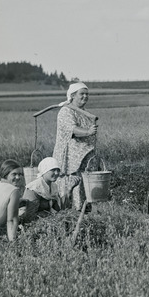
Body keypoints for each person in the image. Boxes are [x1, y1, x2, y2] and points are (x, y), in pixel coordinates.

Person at [53, 82, 98, 212]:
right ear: (72, 96)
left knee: (84, 186)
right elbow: (72, 130)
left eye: (87, 94)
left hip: (85, 160)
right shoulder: (66, 112)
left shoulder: (84, 112)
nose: (85, 96)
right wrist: (88, 132)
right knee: (71, 185)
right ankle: (70, 214)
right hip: (70, 161)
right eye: (82, 94)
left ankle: (84, 213)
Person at [19, 157, 63, 224]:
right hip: (30, 223)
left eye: (58, 170)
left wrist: (69, 191)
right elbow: (29, 216)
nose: (56, 173)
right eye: (53, 170)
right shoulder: (35, 188)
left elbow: (59, 210)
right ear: (45, 170)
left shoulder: (54, 186)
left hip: (45, 221)